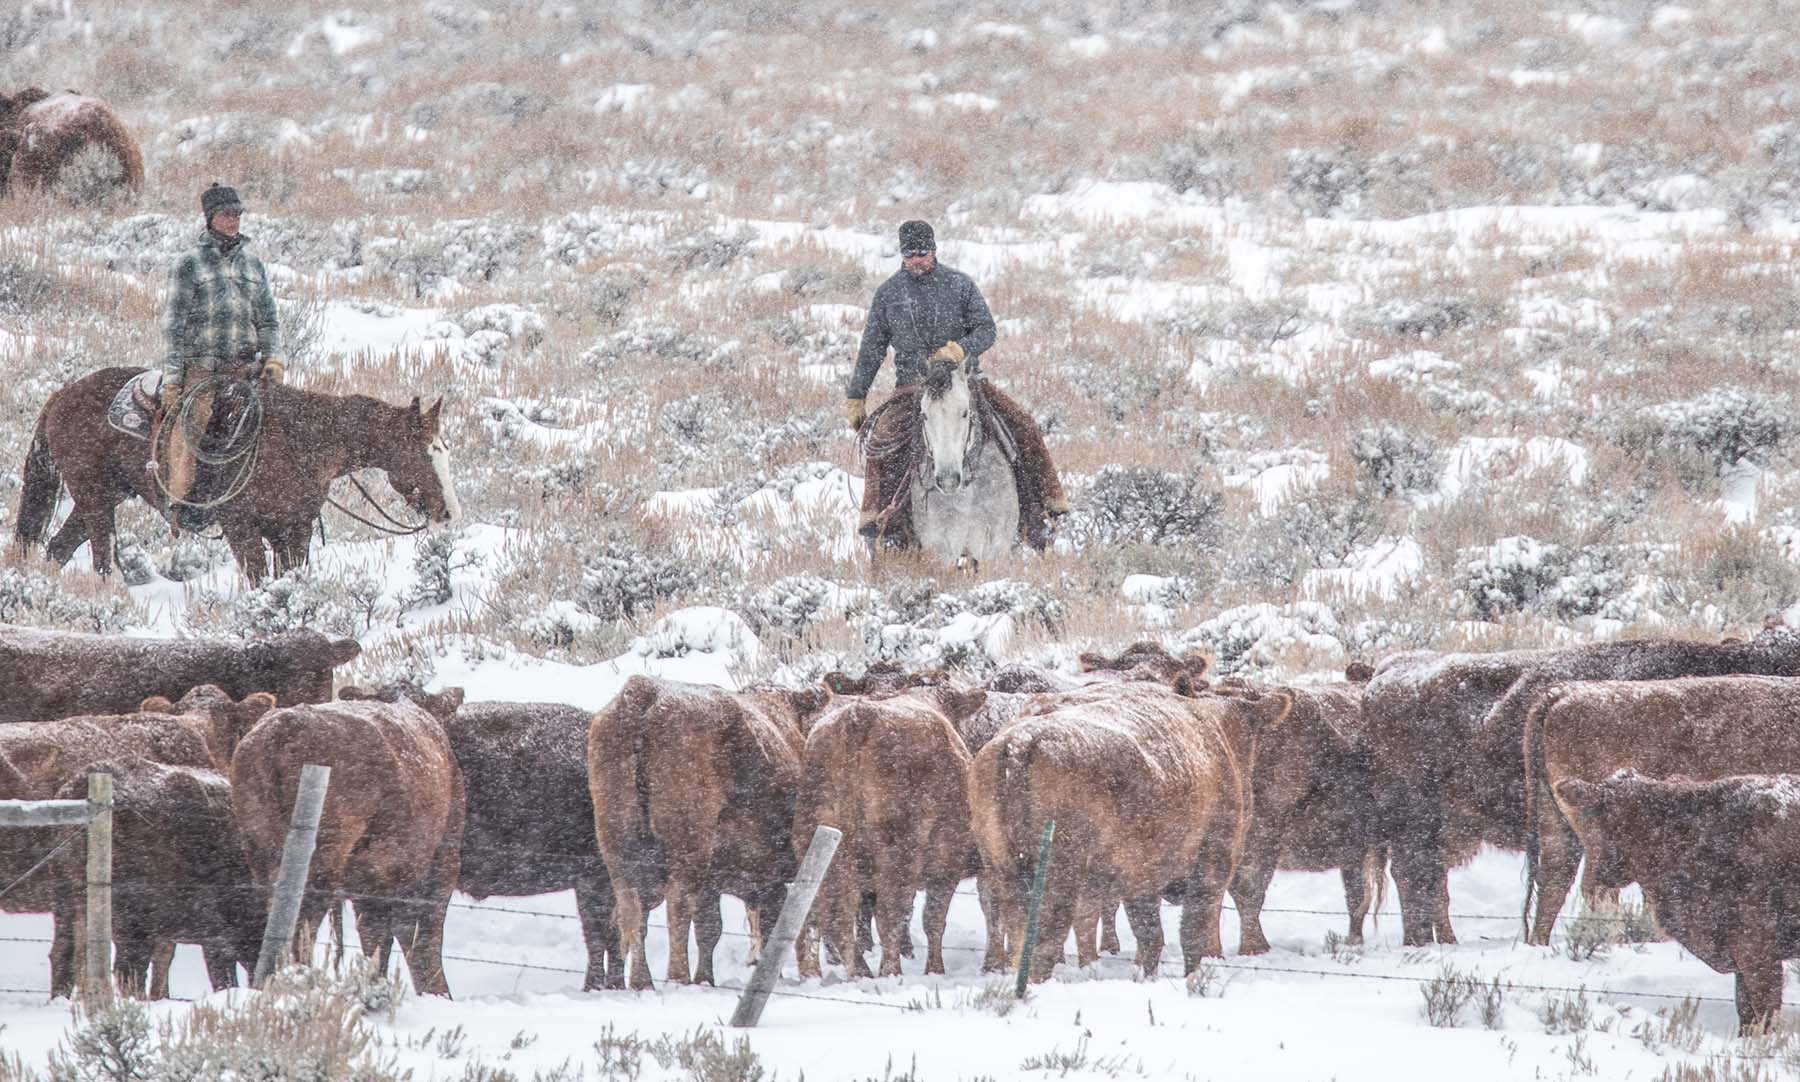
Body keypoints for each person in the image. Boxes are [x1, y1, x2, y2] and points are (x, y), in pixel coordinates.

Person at [846, 219, 1068, 544]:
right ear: (901, 254)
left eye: (922, 252)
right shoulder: (888, 295)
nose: (917, 260)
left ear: (934, 250)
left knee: (1024, 425)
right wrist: (856, 395)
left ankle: (1043, 509)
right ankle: (879, 523)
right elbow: (871, 349)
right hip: (911, 387)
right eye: (910, 254)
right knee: (881, 442)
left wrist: (959, 349)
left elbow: (987, 330)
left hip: (967, 381)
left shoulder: (960, 285)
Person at [159, 182, 283, 530]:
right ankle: (180, 504)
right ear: (211, 218)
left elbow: (268, 318)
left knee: (282, 421)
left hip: (248, 368)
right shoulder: (188, 264)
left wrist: (274, 358)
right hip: (205, 370)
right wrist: (173, 380)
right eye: (227, 214)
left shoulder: (253, 264)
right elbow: (174, 326)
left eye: (237, 214)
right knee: (193, 422)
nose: (234, 221)